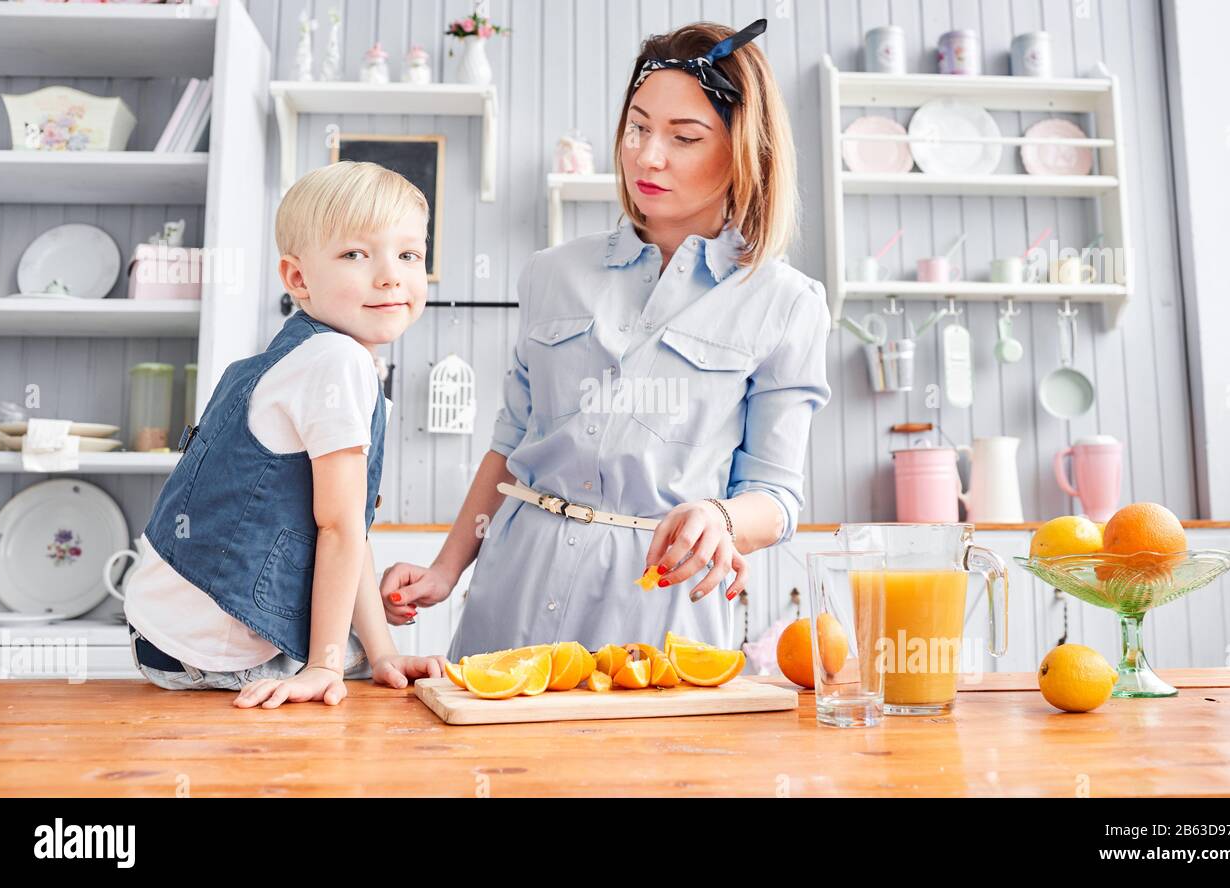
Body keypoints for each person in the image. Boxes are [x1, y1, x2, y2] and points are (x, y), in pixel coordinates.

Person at [381, 19, 831, 661]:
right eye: (639, 127)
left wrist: (722, 519)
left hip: (656, 612)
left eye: (684, 137)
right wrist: (445, 570)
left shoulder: (784, 303)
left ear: (744, 151)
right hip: (511, 593)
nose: (649, 155)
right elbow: (510, 447)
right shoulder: (551, 273)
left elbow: (778, 497)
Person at [125, 161, 445, 707]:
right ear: (298, 278)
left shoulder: (303, 353)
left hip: (167, 633)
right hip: (208, 647)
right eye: (355, 254)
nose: (391, 274)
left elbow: (352, 527)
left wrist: (381, 650)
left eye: (409, 254)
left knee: (359, 663)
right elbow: (340, 528)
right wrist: (326, 664)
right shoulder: (338, 360)